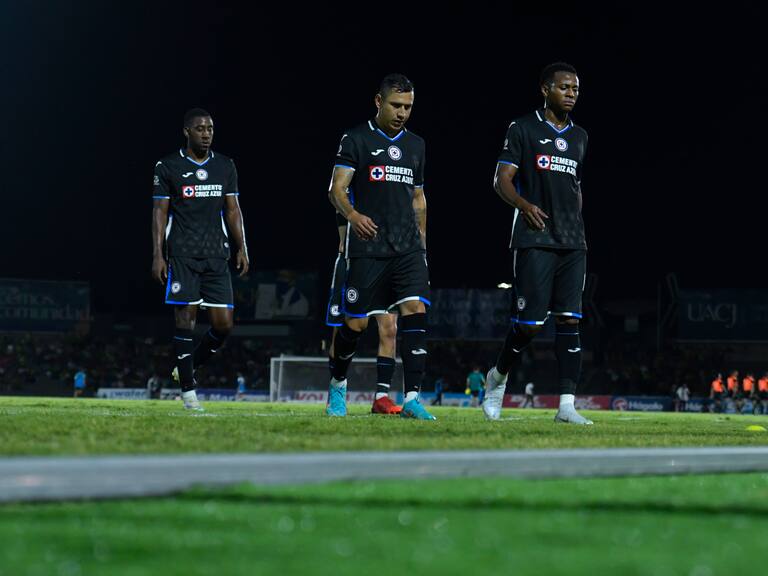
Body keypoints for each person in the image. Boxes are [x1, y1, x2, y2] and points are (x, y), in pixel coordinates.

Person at [482, 62, 592, 424]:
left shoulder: (580, 137)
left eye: (575, 88)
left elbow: (575, 188)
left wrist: (575, 220)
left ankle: (566, 406)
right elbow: (502, 180)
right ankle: (497, 378)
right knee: (529, 324)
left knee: (570, 320)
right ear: (545, 89)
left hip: (573, 242)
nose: (571, 93)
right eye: (564, 87)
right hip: (534, 238)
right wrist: (524, 205)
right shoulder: (523, 128)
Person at [326, 73, 434, 420]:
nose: (403, 112)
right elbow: (336, 190)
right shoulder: (356, 139)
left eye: (408, 107)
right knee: (354, 325)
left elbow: (418, 198)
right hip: (368, 248)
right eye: (396, 105)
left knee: (415, 310)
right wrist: (354, 216)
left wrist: (423, 246)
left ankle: (413, 398)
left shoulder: (416, 145)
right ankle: (338, 388)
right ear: (378, 101)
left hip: (407, 249)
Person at [151, 108, 249, 412]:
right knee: (185, 321)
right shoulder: (167, 166)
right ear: (186, 132)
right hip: (182, 255)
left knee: (224, 325)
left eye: (210, 128)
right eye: (200, 128)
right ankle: (189, 394)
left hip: (217, 255)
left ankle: (188, 366)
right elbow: (159, 212)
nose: (206, 133)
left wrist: (242, 246)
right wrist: (158, 254)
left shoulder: (225, 166)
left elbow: (232, 210)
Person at [326, 213, 401, 414]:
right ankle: (337, 387)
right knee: (347, 326)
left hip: (386, 257)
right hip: (355, 257)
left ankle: (381, 398)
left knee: (390, 329)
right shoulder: (355, 182)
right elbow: (338, 196)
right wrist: (343, 237)